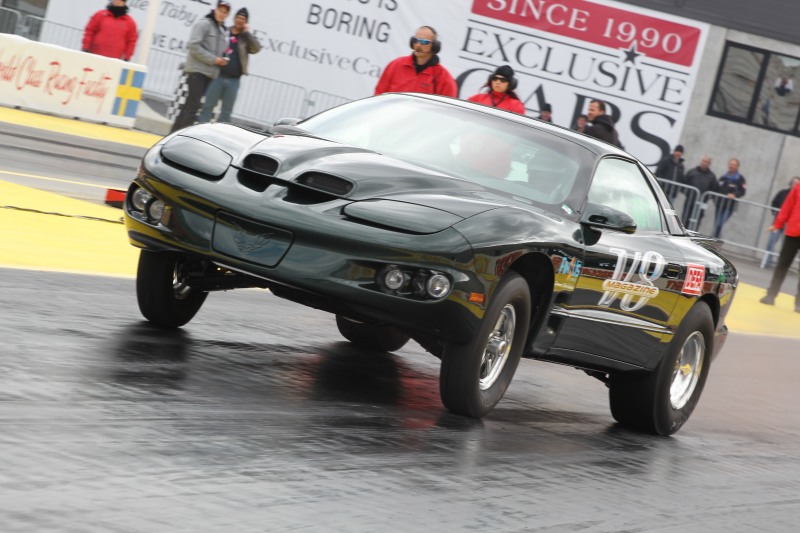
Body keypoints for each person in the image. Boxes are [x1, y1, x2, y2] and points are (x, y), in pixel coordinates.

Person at [170, 1, 232, 133]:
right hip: (196, 71)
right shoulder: (204, 24)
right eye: (221, 10)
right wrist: (213, 59)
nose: (222, 14)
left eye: (225, 12)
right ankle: (182, 136)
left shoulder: (222, 30)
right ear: (215, 10)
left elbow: (220, 50)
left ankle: (174, 134)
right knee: (193, 106)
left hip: (209, 74)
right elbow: (193, 46)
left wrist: (223, 59)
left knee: (189, 106)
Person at [197, 7, 262, 124]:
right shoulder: (224, 31)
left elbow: (256, 48)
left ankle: (220, 133)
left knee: (226, 112)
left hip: (234, 80)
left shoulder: (245, 38)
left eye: (243, 19)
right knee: (208, 106)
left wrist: (247, 33)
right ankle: (201, 130)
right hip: (217, 76)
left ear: (246, 22)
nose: (240, 20)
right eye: (238, 17)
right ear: (234, 18)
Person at [374, 26, 457, 97]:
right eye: (415, 40)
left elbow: (447, 109)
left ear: (435, 46)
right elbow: (379, 95)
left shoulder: (444, 79)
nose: (418, 45)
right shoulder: (395, 65)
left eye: (424, 42)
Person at [760, 179, 800, 313]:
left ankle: (799, 303)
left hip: (794, 230)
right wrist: (778, 224)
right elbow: (788, 206)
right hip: (793, 232)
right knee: (782, 264)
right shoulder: (798, 188)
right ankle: (771, 295)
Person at [762, 176, 800, 268]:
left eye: (797, 183)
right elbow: (775, 203)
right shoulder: (783, 192)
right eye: (793, 183)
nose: (795, 185)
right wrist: (775, 213)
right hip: (780, 221)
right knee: (772, 241)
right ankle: (767, 261)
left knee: (785, 246)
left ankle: (781, 263)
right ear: (790, 183)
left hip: (790, 225)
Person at [712, 158, 747, 238]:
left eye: (734, 165)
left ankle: (714, 238)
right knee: (716, 224)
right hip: (719, 204)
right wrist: (714, 199)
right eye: (730, 164)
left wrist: (734, 195)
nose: (731, 166)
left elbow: (743, 191)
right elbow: (716, 188)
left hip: (729, 206)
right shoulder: (723, 177)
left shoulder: (740, 179)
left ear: (737, 167)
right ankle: (715, 239)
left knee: (719, 224)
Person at [681, 155, 716, 228]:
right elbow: (683, 184)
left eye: (707, 162)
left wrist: (706, 197)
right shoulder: (692, 172)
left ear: (709, 164)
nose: (704, 163)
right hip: (690, 201)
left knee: (697, 220)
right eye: (703, 161)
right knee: (685, 218)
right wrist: (688, 193)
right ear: (701, 161)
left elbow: (714, 189)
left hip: (702, 203)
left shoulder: (712, 176)